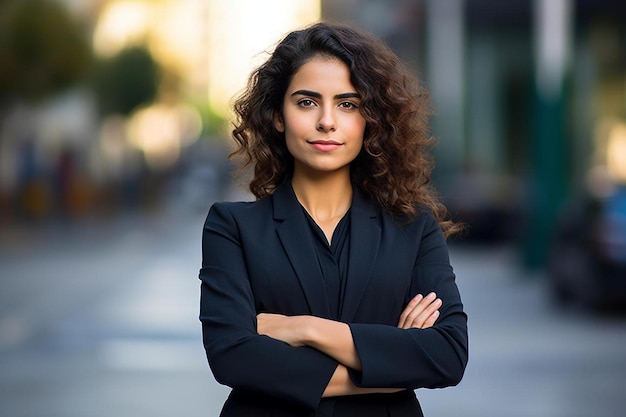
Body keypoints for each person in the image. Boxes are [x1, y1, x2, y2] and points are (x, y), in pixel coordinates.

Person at [199, 21, 468, 417]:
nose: (327, 121)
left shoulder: (413, 226)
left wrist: (302, 329)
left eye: (348, 104)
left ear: (369, 119)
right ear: (277, 115)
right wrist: (393, 359)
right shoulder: (232, 226)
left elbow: (447, 354)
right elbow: (232, 357)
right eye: (307, 102)